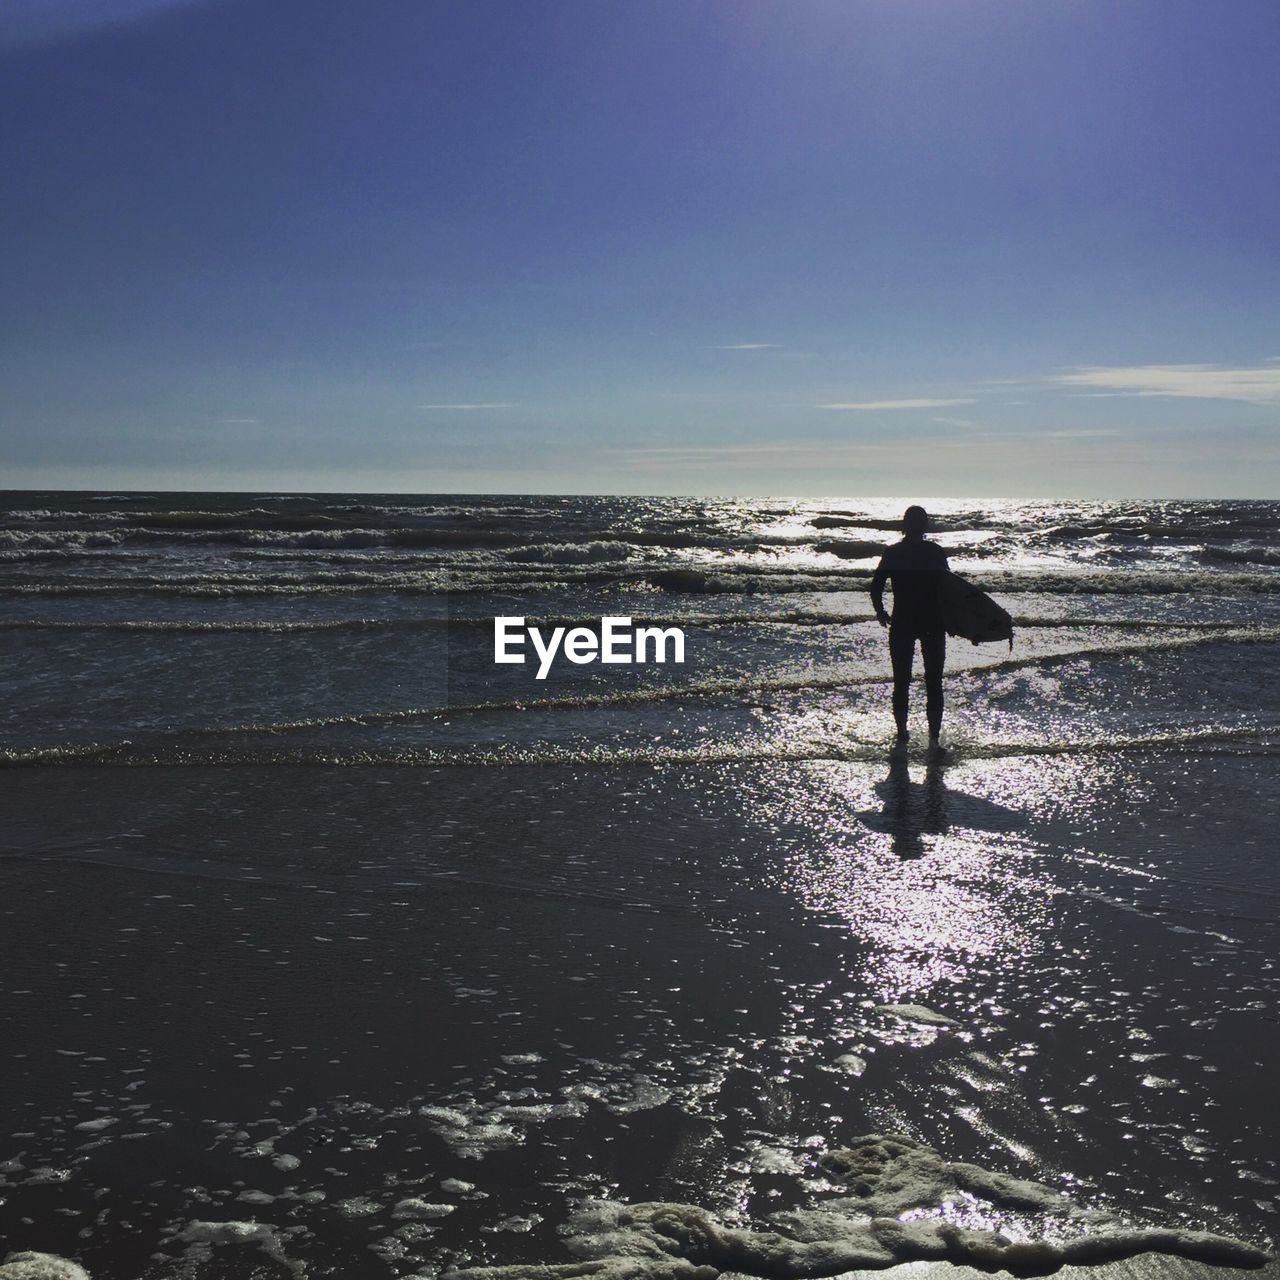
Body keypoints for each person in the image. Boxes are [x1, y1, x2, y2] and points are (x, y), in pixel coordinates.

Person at [870, 506, 949, 747]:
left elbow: (876, 587)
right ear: (925, 525)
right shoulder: (935, 552)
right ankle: (934, 738)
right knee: (934, 681)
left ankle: (903, 734)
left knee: (901, 680)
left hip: (903, 620)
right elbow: (950, 590)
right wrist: (959, 622)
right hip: (932, 621)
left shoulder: (893, 552)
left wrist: (880, 611)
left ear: (905, 525)